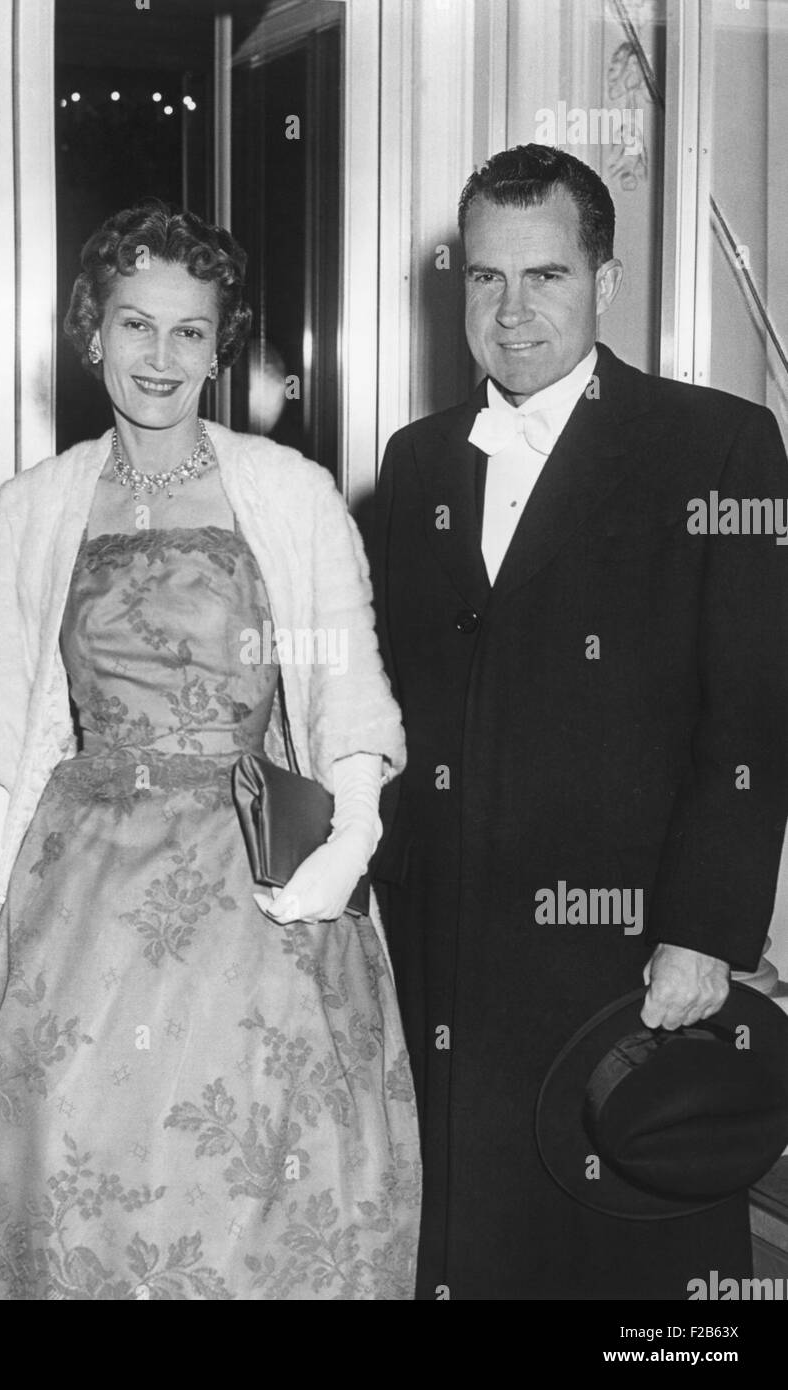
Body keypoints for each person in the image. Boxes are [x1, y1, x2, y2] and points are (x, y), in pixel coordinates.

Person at [0, 199, 420, 1299]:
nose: (161, 357)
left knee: (253, 1188)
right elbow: (2, 727)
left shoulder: (293, 497)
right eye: (134, 325)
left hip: (260, 894)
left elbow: (349, 697)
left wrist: (349, 844)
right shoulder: (38, 505)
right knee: (54, 1177)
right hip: (78, 888)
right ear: (90, 331)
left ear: (222, 344)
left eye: (190, 331)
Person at [371, 144, 788, 1300]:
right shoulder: (414, 466)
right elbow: (394, 698)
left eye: (545, 276)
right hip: (444, 946)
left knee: (625, 1261)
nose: (511, 313)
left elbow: (750, 719)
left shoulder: (719, 443)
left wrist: (707, 929)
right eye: (485, 279)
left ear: (605, 284)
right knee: (463, 1243)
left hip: (628, 950)